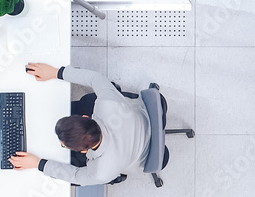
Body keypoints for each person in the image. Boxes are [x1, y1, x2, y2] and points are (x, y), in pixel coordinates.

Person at [8, 63, 152, 186]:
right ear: (85, 117)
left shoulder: (100, 172)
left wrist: (38, 163)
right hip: (140, 118)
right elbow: (95, 78)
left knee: (74, 163)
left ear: (84, 151)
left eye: (63, 144)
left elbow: (76, 176)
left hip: (142, 154)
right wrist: (56, 72)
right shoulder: (107, 103)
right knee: (87, 101)